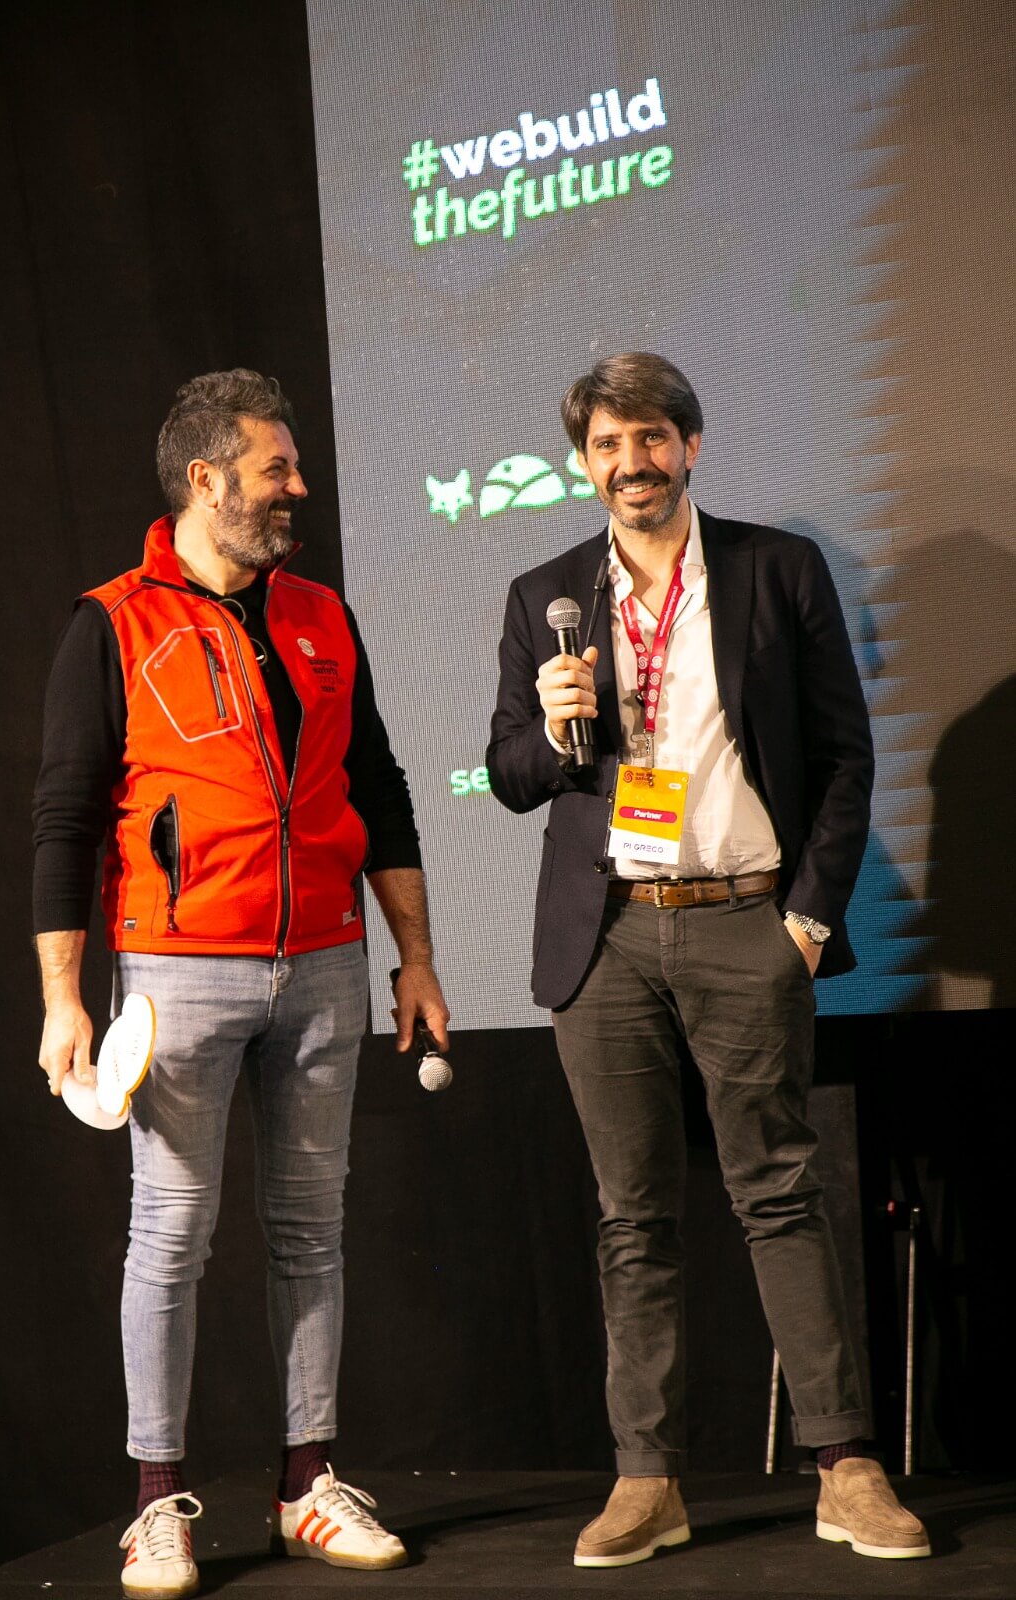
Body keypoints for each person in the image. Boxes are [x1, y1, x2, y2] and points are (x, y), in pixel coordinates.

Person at [486, 352, 929, 1568]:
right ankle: (647, 1480)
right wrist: (553, 721)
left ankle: (845, 1467)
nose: (629, 462)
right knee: (632, 1217)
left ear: (689, 444)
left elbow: (844, 756)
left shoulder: (775, 570)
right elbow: (512, 772)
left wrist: (806, 920)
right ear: (583, 462)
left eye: (650, 438)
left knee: (777, 1193)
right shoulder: (543, 595)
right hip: (606, 933)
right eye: (606, 444)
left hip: (745, 919)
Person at [33, 368, 449, 1598]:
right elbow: (64, 819)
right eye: (277, 468)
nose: (297, 488)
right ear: (206, 478)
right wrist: (63, 997)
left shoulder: (320, 612)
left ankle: (306, 1483)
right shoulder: (112, 623)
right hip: (177, 973)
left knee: (311, 1231)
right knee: (171, 1236)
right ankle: (155, 1506)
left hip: (323, 963)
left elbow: (377, 785)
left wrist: (416, 955)